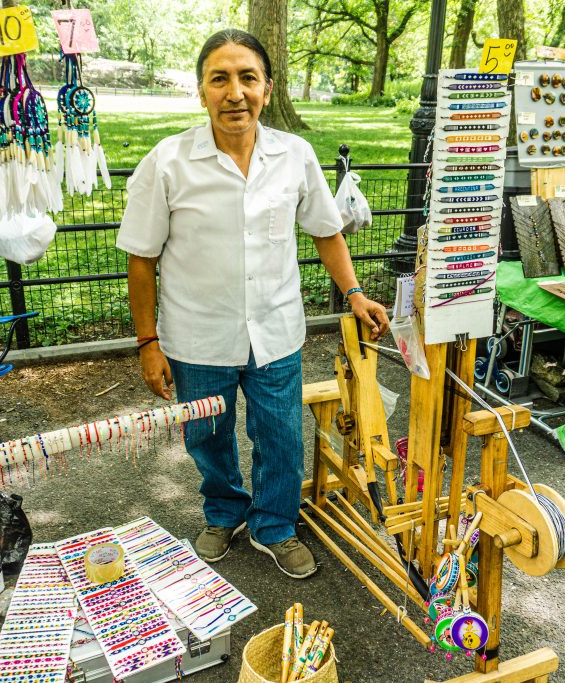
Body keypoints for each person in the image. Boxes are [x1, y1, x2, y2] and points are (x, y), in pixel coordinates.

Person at [116, 29, 390, 579]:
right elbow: (141, 259)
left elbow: (326, 232)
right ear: (202, 91)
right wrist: (148, 343)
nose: (234, 92)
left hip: (276, 329)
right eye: (220, 79)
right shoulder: (167, 163)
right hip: (196, 338)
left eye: (247, 78)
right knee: (207, 438)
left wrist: (355, 293)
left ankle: (274, 525)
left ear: (267, 87)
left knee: (281, 436)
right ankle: (224, 512)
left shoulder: (295, 155)